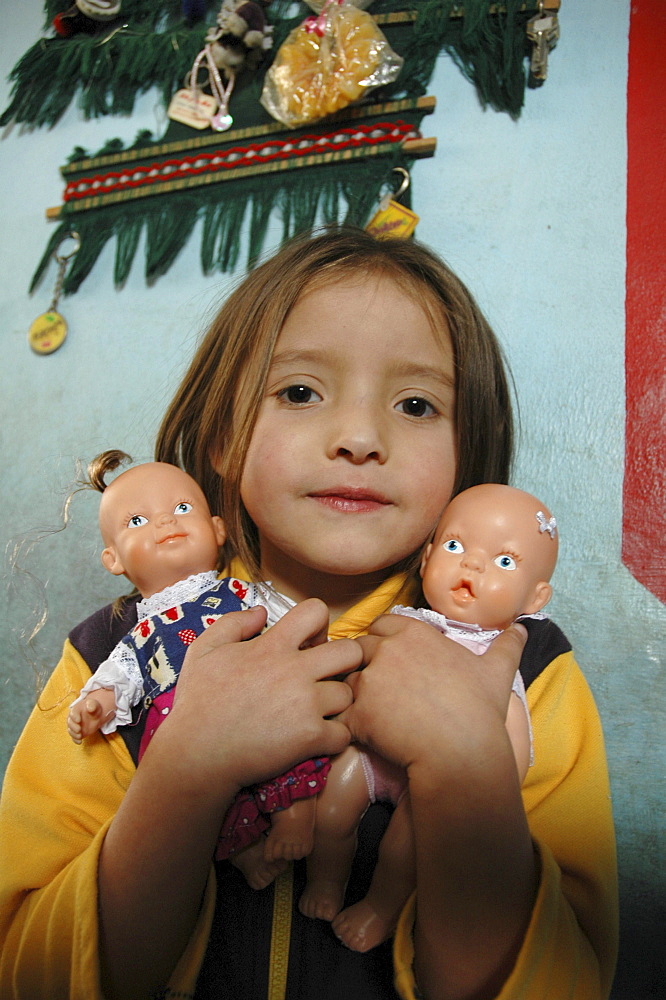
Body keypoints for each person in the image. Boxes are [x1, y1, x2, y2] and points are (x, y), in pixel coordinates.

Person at [0, 228, 618, 1000]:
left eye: (417, 403)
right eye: (298, 392)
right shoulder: (113, 654)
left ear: (468, 454)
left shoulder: (526, 669)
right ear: (223, 436)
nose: (359, 439)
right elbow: (30, 975)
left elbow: (571, 983)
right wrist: (186, 767)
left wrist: (466, 769)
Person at [301, 482, 557, 953]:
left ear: (536, 598)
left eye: (504, 562)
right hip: (373, 755)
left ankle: (381, 908)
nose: (472, 565)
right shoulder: (402, 624)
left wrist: (477, 770)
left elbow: (507, 743)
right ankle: (325, 881)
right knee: (331, 804)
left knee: (408, 850)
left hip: (440, 789)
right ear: (427, 559)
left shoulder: (511, 661)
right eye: (457, 546)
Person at [65, 453, 328, 883]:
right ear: (113, 560)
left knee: (289, 743)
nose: (166, 523)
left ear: (218, 529)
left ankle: (296, 814)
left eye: (182, 509)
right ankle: (242, 852)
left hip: (260, 694)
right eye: (137, 521)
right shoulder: (137, 633)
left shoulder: (242, 593)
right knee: (192, 798)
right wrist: (96, 703)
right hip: (177, 717)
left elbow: (293, 619)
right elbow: (123, 673)